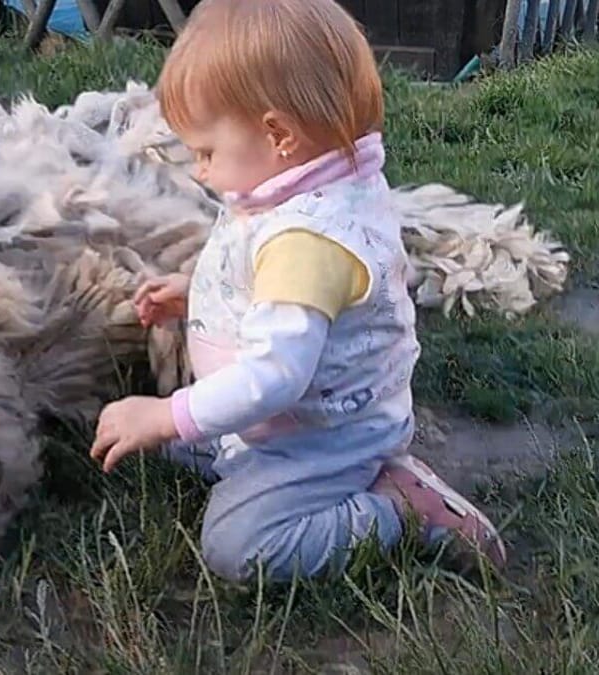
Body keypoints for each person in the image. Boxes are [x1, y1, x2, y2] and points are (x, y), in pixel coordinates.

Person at [87, 0, 507, 582]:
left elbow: (274, 378)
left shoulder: (307, 240)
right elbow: (280, 293)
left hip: (321, 437)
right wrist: (200, 294)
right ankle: (236, 449)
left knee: (241, 547)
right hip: (294, 417)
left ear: (277, 134)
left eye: (206, 152)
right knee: (179, 441)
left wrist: (168, 413)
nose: (200, 171)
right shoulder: (301, 189)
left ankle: (396, 507)